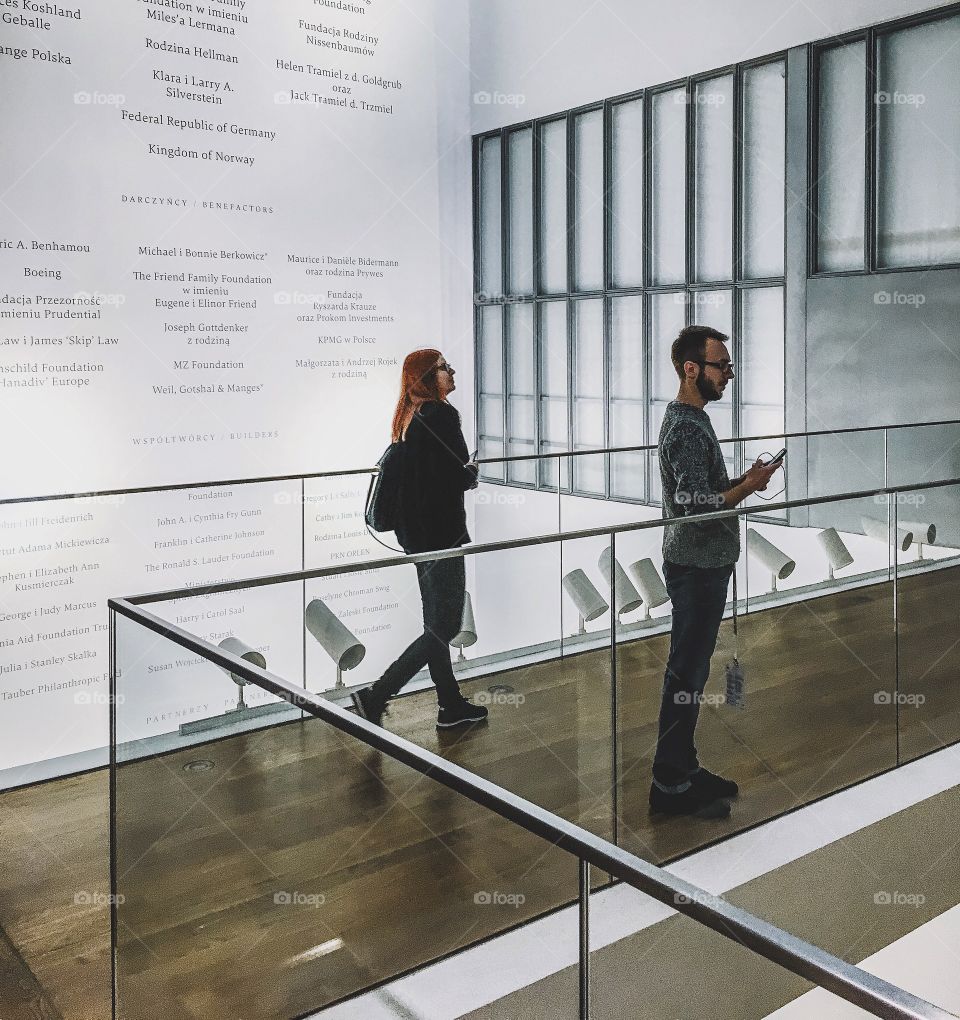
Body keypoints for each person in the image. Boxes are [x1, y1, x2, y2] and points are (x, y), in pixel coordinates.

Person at [651, 325, 780, 820]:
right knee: (685, 673)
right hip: (696, 566)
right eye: (720, 365)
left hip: (704, 564)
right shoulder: (686, 426)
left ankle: (683, 767)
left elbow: (702, 491)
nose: (728, 373)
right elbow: (692, 506)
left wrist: (744, 481)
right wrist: (748, 487)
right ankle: (670, 784)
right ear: (691, 369)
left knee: (693, 670)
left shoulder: (693, 419)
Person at [352, 349, 489, 730]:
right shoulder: (441, 415)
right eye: (445, 367)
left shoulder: (407, 417)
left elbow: (423, 477)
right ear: (429, 376)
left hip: (415, 536)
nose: (452, 371)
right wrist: (471, 472)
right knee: (443, 627)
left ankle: (449, 705)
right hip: (440, 535)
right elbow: (454, 477)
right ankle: (377, 695)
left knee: (435, 622)